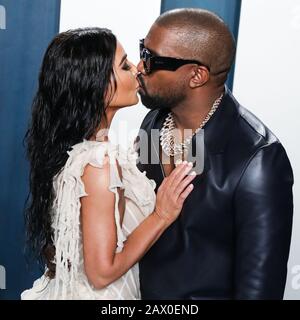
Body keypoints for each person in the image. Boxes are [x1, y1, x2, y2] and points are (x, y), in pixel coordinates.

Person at [21, 27, 196, 300]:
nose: (137, 69)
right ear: (99, 85)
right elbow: (101, 273)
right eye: (124, 65)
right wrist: (161, 215)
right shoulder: (99, 163)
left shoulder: (83, 150)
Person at [136, 8, 294, 299]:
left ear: (197, 75)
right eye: (142, 50)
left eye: (152, 60)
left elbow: (258, 292)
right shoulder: (154, 122)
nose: (139, 67)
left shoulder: (258, 160)